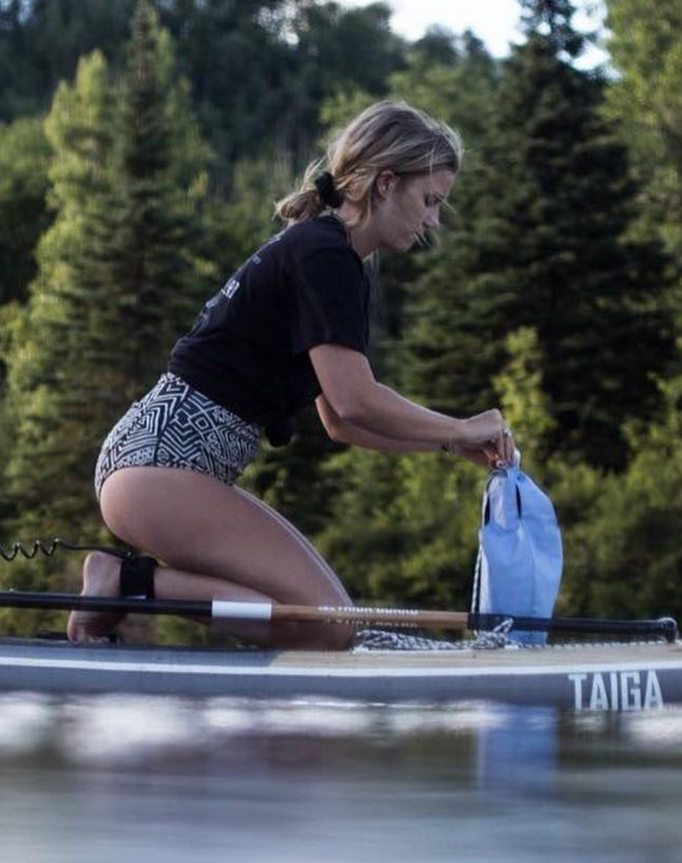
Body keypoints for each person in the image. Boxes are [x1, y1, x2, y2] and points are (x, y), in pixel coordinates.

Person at [67, 101, 517, 649]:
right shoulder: (325, 256)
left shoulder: (329, 254)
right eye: (430, 201)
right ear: (386, 183)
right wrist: (461, 426)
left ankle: (130, 586)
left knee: (328, 623)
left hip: (160, 463)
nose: (433, 222)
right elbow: (355, 400)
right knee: (330, 624)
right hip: (159, 465)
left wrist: (447, 444)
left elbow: (340, 422)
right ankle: (126, 585)